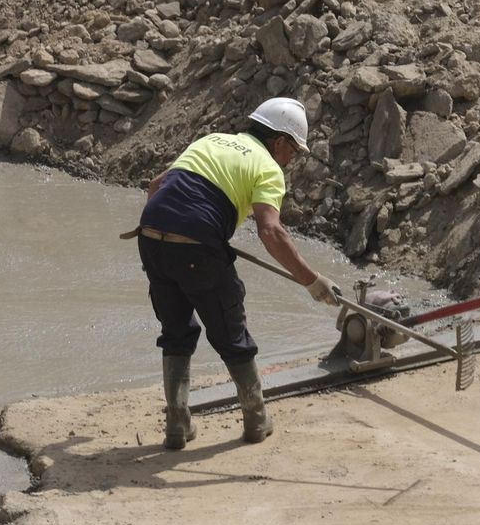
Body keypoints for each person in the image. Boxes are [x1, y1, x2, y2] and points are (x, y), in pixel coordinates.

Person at [133, 97, 339, 448]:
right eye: (294, 152)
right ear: (279, 142)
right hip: (197, 243)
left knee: (176, 330)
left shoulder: (210, 141)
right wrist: (311, 280)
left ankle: (177, 425)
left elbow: (156, 186)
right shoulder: (268, 168)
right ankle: (257, 420)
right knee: (230, 330)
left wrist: (170, 233)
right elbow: (271, 231)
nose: (291, 160)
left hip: (150, 235)